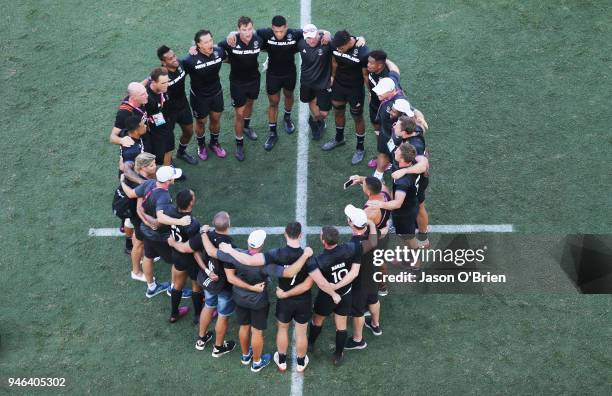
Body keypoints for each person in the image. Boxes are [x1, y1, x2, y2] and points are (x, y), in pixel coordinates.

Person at [218, 222, 314, 373]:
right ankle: (298, 362)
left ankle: (271, 359)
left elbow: (245, 260)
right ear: (300, 235)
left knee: (273, 328)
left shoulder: (274, 254)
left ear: (285, 234)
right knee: (299, 332)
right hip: (295, 300)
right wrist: (305, 255)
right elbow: (300, 280)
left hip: (257, 299)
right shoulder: (305, 256)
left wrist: (227, 248)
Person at [305, 225, 376, 366]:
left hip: (327, 297)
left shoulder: (318, 260)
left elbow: (323, 284)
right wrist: (372, 225)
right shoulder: (351, 248)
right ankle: (338, 355)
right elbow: (372, 243)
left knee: (317, 320)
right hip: (346, 293)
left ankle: (311, 344)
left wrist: (333, 290)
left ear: (323, 241)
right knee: (341, 325)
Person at [169, 212, 236, 356]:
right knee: (223, 315)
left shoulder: (205, 235)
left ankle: (201, 338)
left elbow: (194, 252)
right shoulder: (229, 244)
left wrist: (206, 270)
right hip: (223, 286)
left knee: (209, 306)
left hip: (208, 282)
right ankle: (218, 348)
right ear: (229, 224)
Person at [121, 165, 190, 298]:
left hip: (146, 231)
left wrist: (122, 182)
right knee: (177, 261)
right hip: (160, 235)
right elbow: (161, 218)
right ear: (168, 181)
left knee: (148, 256)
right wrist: (180, 222)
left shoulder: (149, 183)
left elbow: (130, 193)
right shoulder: (164, 197)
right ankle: (173, 288)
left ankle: (152, 288)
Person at [367, 143, 422, 270]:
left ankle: (416, 269)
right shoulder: (409, 164)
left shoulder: (403, 180)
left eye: (398, 151)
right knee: (402, 236)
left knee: (411, 242)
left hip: (405, 214)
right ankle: (405, 258)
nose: (395, 151)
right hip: (408, 207)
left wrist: (380, 204)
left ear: (402, 159)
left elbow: (398, 203)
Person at [218, 16, 264, 161]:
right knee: (239, 114)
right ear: (238, 30)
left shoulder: (258, 39)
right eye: (244, 30)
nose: (248, 32)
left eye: (250, 29)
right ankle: (239, 143)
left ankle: (246, 127)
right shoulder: (231, 41)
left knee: (250, 103)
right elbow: (216, 51)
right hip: (237, 83)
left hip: (254, 79)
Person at [322, 30, 370, 165]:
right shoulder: (335, 45)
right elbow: (334, 61)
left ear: (349, 42)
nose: (338, 50)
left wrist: (370, 93)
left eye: (341, 48)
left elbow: (365, 75)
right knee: (338, 111)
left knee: (357, 117)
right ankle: (339, 138)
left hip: (355, 90)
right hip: (339, 86)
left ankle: (360, 148)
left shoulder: (363, 52)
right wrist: (332, 77)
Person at [183, 30, 228, 161]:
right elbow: (179, 75)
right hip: (199, 97)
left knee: (215, 119)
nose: (210, 44)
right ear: (198, 45)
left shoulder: (218, 52)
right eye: (206, 42)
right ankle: (201, 145)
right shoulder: (189, 60)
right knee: (201, 122)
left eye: (210, 40)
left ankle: (214, 143)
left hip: (216, 93)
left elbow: (229, 58)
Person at [342, 205, 381, 350]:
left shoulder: (353, 246)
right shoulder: (373, 232)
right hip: (372, 276)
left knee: (358, 312)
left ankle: (358, 340)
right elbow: (373, 241)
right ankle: (375, 325)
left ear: (351, 223)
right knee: (374, 299)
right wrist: (369, 222)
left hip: (360, 284)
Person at [114, 152, 157, 282]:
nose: (155, 167)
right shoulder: (140, 184)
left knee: (137, 238)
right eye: (151, 165)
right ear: (143, 168)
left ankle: (143, 256)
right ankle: (136, 272)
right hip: (135, 214)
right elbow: (138, 206)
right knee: (139, 243)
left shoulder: (134, 173)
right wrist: (148, 222)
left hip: (130, 211)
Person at [389, 114, 430, 248]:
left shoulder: (415, 144)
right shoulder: (414, 128)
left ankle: (423, 238)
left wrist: (404, 171)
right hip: (410, 177)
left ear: (405, 132)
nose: (394, 126)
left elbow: (423, 165)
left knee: (419, 207)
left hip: (416, 181)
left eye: (398, 126)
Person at [348, 175, 392, 300]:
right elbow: (377, 183)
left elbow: (361, 229)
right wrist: (360, 179)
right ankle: (383, 286)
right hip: (383, 235)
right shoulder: (385, 190)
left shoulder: (369, 212)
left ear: (367, 191)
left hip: (372, 239)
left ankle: (367, 293)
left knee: (366, 266)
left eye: (364, 185)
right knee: (382, 261)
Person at [165, 189, 204, 323]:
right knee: (196, 286)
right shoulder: (193, 224)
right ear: (190, 203)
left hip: (177, 256)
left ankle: (174, 314)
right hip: (190, 259)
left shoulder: (171, 213)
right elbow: (192, 247)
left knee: (177, 285)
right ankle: (198, 315)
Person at [156, 45, 198, 165]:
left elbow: (194, 58)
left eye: (174, 56)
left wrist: (194, 49)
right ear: (163, 63)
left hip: (183, 106)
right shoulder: (161, 76)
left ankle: (181, 152)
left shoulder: (181, 64)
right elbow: (149, 91)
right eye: (170, 59)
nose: (174, 59)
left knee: (189, 131)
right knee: (167, 140)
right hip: (167, 113)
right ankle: (168, 163)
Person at [112, 115, 147, 256]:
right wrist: (142, 182)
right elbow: (127, 169)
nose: (145, 126)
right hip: (132, 185)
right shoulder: (132, 149)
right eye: (143, 125)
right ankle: (129, 244)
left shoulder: (126, 135)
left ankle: (128, 238)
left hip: (129, 181)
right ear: (136, 130)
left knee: (129, 218)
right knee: (133, 218)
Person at [365, 49, 401, 168]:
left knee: (389, 135)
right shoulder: (373, 70)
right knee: (378, 131)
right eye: (368, 62)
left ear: (380, 65)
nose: (368, 65)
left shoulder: (388, 79)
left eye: (371, 63)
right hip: (375, 107)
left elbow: (396, 73)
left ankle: (390, 160)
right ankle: (381, 153)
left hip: (387, 111)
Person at [297, 24, 332, 141]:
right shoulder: (301, 43)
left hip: (323, 83)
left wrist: (359, 39)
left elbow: (344, 41)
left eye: (313, 36)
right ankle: (316, 123)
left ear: (318, 34)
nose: (311, 40)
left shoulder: (326, 42)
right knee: (311, 103)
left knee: (324, 113)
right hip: (307, 82)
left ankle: (316, 121)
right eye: (308, 38)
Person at [144, 67, 174, 166]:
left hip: (166, 123)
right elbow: (131, 94)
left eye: (167, 82)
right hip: (155, 131)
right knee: (157, 157)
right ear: (153, 82)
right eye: (163, 83)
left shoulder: (163, 89)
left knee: (169, 147)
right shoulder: (146, 97)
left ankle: (169, 168)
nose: (166, 85)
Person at [109, 82, 149, 149]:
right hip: (137, 145)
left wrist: (149, 79)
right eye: (143, 94)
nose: (147, 95)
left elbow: (137, 88)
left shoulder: (138, 98)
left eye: (146, 92)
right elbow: (112, 138)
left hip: (145, 135)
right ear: (133, 97)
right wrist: (121, 140)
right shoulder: (124, 113)